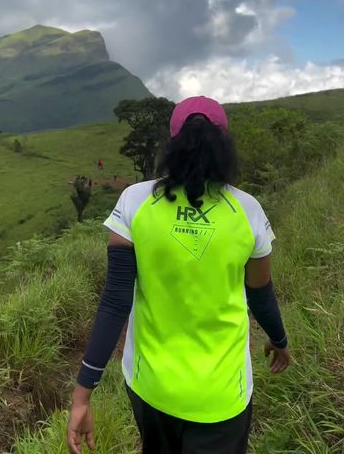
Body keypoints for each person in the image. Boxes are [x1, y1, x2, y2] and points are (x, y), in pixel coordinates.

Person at [67, 96, 290, 454]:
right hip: (221, 395)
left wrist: (83, 393)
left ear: (172, 142)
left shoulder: (135, 200)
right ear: (224, 144)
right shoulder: (248, 210)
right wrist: (278, 339)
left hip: (151, 388)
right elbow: (260, 292)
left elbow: (115, 302)